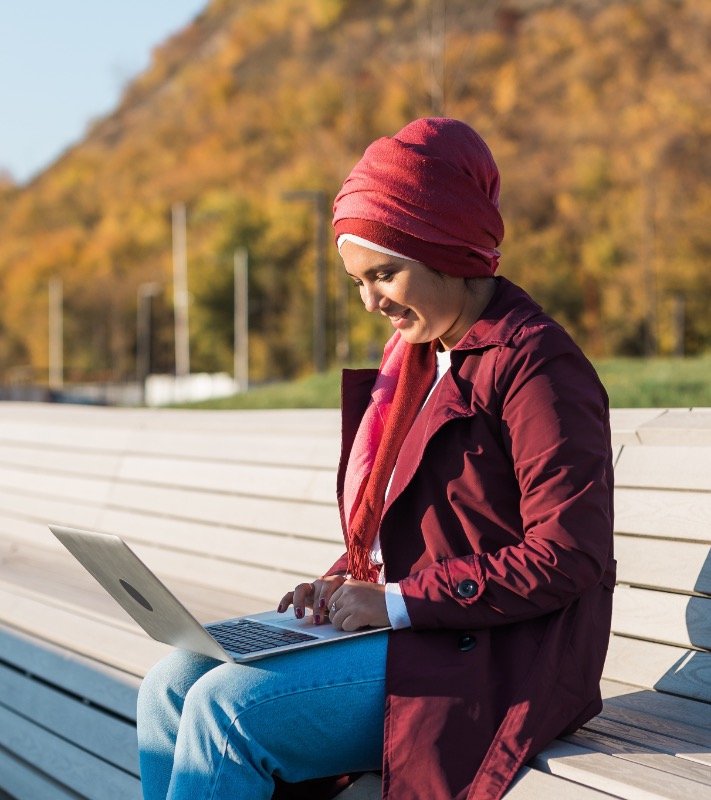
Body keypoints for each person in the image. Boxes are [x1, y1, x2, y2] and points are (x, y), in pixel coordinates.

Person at [137, 117, 615, 800]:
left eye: (384, 274)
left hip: (503, 657)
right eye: (357, 280)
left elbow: (569, 554)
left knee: (226, 712)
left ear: (445, 247)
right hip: (428, 631)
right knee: (171, 683)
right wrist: (342, 584)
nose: (370, 302)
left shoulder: (537, 366)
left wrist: (391, 602)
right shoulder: (415, 364)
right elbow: (419, 531)